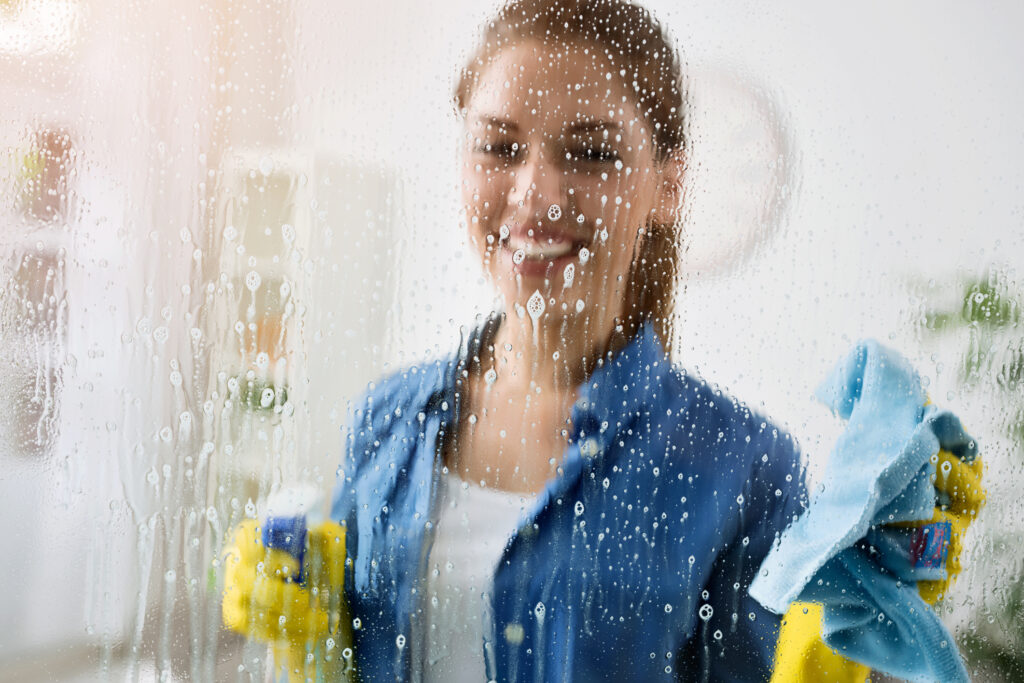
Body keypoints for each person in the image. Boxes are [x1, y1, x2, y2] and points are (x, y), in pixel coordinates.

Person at [222, 1, 984, 681]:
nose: (536, 195)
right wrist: (305, 640)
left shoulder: (747, 470)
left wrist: (852, 648)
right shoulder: (385, 420)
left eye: (590, 153)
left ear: (668, 186)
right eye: (498, 147)